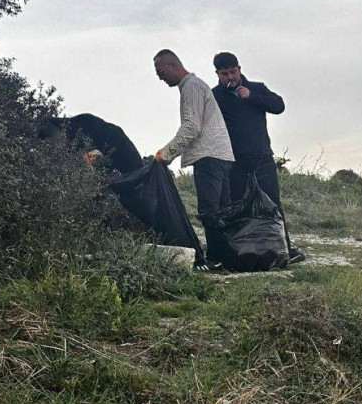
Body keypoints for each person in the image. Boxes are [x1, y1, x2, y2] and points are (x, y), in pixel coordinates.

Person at [210, 51, 303, 264]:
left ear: (239, 69)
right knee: (237, 205)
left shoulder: (257, 88)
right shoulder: (214, 96)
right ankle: (242, 250)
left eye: (233, 72)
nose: (230, 77)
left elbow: (279, 106)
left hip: (262, 158)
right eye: (225, 74)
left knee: (272, 203)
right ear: (217, 74)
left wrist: (252, 98)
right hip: (234, 162)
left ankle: (284, 249)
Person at [152, 49, 235, 270]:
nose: (160, 78)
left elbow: (191, 127)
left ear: (173, 66)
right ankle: (228, 256)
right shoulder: (194, 86)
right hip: (222, 155)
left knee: (210, 210)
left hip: (209, 155)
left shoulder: (191, 86)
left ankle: (215, 259)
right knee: (223, 209)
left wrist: (165, 154)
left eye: (161, 72)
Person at [39, 113, 143, 174]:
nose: (53, 147)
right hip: (128, 168)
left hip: (130, 169)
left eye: (51, 141)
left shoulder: (81, 127)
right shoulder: (78, 127)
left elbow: (96, 156)